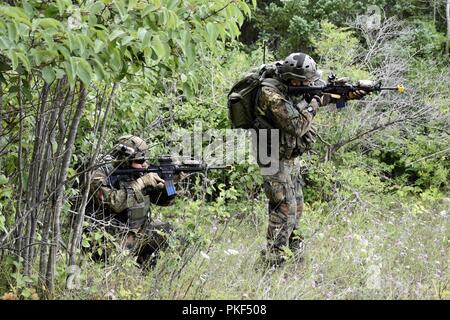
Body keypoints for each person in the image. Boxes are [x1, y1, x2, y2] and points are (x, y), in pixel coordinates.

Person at [253, 52, 368, 266]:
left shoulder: (296, 86)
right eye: (305, 81)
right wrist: (315, 101)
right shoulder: (269, 93)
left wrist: (345, 94)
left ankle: (296, 257)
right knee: (283, 208)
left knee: (297, 207)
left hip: (289, 155)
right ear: (293, 79)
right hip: (270, 156)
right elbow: (298, 125)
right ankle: (273, 261)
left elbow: (318, 96)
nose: (309, 83)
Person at [86, 134, 174, 268]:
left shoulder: (139, 169)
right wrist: (141, 183)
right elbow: (113, 202)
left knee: (165, 230)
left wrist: (170, 182)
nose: (144, 164)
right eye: (140, 160)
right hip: (104, 237)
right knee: (104, 262)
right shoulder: (99, 173)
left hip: (134, 232)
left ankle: (144, 274)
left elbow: (162, 201)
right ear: (124, 159)